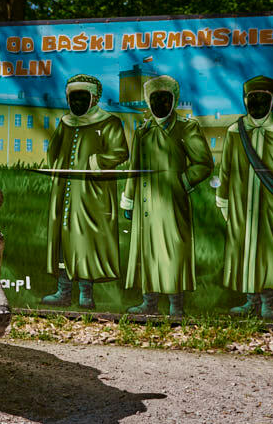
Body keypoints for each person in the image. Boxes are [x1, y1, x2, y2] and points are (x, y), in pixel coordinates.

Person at [216, 75, 273, 319]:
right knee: (245, 250)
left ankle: (269, 303)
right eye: (252, 98)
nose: (256, 103)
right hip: (242, 201)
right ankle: (250, 300)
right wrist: (223, 197)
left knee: (272, 252)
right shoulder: (236, 131)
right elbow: (225, 167)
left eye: (262, 98)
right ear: (245, 100)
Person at [120, 75, 213, 316]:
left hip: (172, 203)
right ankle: (149, 303)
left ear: (174, 100)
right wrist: (128, 197)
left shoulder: (186, 127)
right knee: (147, 250)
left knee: (173, 250)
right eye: (155, 98)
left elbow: (203, 164)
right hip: (145, 203)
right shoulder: (143, 131)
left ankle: (176, 306)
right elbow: (135, 168)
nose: (160, 103)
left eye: (165, 98)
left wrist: (181, 182)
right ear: (147, 101)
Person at [41, 74, 129, 309]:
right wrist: (57, 168)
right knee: (62, 241)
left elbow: (120, 151)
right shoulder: (66, 122)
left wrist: (94, 163)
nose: (77, 103)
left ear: (94, 98)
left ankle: (86, 294)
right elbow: (54, 152)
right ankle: (63, 291)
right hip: (64, 192)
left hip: (93, 193)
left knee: (86, 242)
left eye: (82, 97)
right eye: (73, 97)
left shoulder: (108, 122)